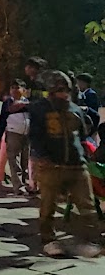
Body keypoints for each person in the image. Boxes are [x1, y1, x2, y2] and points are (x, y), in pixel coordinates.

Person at [30, 72, 102, 257]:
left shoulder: (75, 110)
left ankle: (89, 240)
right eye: (60, 90)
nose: (64, 94)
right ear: (51, 91)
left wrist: (83, 155)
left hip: (77, 165)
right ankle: (48, 239)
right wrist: (43, 156)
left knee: (87, 206)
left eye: (66, 90)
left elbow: (82, 135)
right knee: (48, 205)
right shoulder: (39, 109)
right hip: (51, 166)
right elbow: (35, 136)